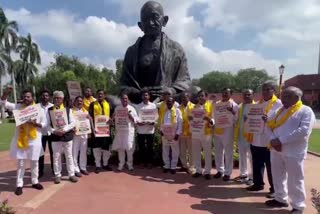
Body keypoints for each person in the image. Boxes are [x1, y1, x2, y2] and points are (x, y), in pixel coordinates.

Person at [120, 1, 191, 104]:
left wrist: (171, 90)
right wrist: (133, 91)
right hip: (139, 101)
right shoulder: (131, 52)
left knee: (196, 91)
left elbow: (186, 81)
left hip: (167, 100)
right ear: (140, 25)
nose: (150, 23)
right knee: (110, 100)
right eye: (145, 19)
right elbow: (123, 85)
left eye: (155, 17)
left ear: (164, 20)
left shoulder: (176, 49)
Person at [265, 87, 315, 214]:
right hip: (276, 149)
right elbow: (267, 125)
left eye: (287, 96)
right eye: (282, 95)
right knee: (277, 176)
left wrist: (280, 140)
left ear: (297, 98)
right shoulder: (278, 110)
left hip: (294, 152)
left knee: (295, 179)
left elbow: (303, 131)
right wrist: (272, 139)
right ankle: (280, 198)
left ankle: (298, 206)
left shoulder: (305, 111)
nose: (283, 98)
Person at [1, 87, 46, 195]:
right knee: (21, 163)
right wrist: (5, 93)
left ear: (32, 98)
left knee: (35, 162)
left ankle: (35, 181)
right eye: (24, 96)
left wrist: (35, 124)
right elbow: (3, 102)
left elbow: (44, 124)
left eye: (28, 96)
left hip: (35, 139)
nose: (26, 98)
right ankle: (19, 184)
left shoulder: (39, 109)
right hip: (21, 138)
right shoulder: (17, 107)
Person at [247, 81, 282, 198]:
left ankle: (274, 188)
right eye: (263, 89)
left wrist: (269, 120)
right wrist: (249, 118)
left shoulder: (279, 104)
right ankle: (258, 184)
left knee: (271, 166)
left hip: (269, 141)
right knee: (257, 164)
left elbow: (280, 122)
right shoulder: (257, 104)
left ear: (274, 90)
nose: (265, 92)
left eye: (268, 89)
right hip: (256, 139)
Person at [47, 91, 78, 184]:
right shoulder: (49, 110)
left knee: (69, 156)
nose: (57, 99)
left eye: (59, 98)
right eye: (55, 98)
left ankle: (71, 174)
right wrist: (55, 131)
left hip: (67, 136)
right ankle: (57, 175)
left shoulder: (68, 110)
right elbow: (47, 125)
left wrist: (64, 129)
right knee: (56, 156)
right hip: (55, 137)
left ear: (62, 99)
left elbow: (73, 123)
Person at [213, 88, 239, 181]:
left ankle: (228, 173)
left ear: (230, 94)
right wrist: (212, 122)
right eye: (223, 93)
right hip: (217, 130)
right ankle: (220, 171)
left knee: (228, 152)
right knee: (218, 152)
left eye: (226, 93)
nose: (224, 94)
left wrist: (232, 111)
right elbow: (213, 116)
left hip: (228, 130)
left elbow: (237, 119)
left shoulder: (234, 105)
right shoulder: (217, 105)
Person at [190, 90, 214, 180]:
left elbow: (214, 118)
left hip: (206, 133)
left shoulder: (210, 106)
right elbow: (190, 119)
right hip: (196, 132)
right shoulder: (193, 107)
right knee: (196, 152)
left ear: (206, 97)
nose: (200, 97)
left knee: (207, 153)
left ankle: (207, 172)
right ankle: (198, 170)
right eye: (199, 96)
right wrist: (190, 118)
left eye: (202, 96)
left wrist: (209, 119)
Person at [89, 89, 113, 173]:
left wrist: (111, 120)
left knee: (106, 148)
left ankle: (105, 164)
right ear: (96, 95)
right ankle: (98, 165)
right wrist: (92, 130)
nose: (100, 95)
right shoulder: (92, 104)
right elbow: (90, 118)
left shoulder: (109, 104)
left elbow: (112, 116)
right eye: (98, 94)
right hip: (96, 130)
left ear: (104, 95)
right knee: (96, 148)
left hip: (106, 130)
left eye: (101, 94)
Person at [234, 89, 254, 184]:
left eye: (248, 94)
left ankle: (252, 176)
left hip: (251, 136)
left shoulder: (256, 106)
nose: (246, 96)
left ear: (252, 95)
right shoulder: (240, 106)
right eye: (245, 95)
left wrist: (249, 119)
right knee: (242, 156)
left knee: (252, 157)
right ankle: (243, 174)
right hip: (241, 135)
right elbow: (236, 119)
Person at [112, 93, 138, 171]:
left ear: (128, 100)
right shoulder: (117, 108)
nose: (124, 100)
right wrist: (112, 119)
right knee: (120, 148)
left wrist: (131, 117)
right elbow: (114, 118)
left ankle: (130, 164)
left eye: (126, 98)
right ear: (121, 100)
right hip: (120, 131)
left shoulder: (132, 109)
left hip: (129, 131)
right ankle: (121, 164)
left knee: (129, 148)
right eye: (123, 98)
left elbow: (136, 120)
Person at [160, 96, 182, 174]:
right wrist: (161, 130)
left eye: (170, 101)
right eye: (167, 102)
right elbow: (161, 122)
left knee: (175, 151)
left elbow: (180, 123)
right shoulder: (164, 111)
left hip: (174, 135)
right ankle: (166, 166)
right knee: (165, 150)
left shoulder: (177, 111)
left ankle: (173, 167)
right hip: (165, 135)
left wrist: (178, 133)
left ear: (173, 102)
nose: (169, 103)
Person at [136, 90, 158, 168]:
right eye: (144, 95)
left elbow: (156, 116)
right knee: (141, 147)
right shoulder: (138, 106)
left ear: (149, 96)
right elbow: (136, 117)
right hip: (141, 130)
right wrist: (138, 122)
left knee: (150, 147)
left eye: (146, 95)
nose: (145, 97)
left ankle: (150, 162)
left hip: (150, 130)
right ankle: (142, 162)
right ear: (142, 97)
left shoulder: (153, 106)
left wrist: (154, 122)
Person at [72, 96, 90, 176]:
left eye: (81, 101)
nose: (79, 102)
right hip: (75, 135)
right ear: (75, 102)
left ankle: (83, 167)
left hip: (84, 134)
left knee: (83, 151)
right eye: (78, 101)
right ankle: (75, 169)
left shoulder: (85, 111)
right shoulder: (71, 111)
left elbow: (88, 122)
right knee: (74, 152)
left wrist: (89, 132)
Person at [38, 89, 54, 178]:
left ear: (49, 97)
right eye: (43, 95)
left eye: (47, 95)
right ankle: (40, 171)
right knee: (41, 153)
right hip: (41, 134)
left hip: (51, 133)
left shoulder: (53, 106)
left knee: (53, 152)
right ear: (41, 96)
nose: (45, 97)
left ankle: (54, 169)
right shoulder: (37, 107)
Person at [179, 92, 194, 173]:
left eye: (186, 97)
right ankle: (184, 165)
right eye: (183, 97)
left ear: (189, 97)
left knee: (191, 150)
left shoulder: (193, 106)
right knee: (182, 150)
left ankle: (192, 166)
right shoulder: (178, 107)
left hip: (190, 132)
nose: (184, 99)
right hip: (181, 132)